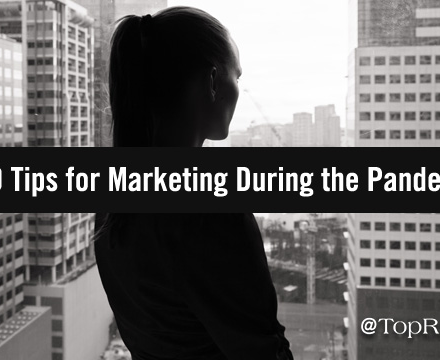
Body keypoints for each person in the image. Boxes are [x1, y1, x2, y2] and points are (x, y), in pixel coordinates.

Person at [95, 7, 294, 360]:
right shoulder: (209, 208)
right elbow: (263, 351)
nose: (238, 90)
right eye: (238, 76)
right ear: (214, 81)